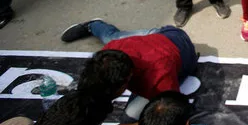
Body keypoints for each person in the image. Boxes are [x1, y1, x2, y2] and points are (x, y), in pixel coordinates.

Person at [61, 20, 198, 109]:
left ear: (126, 81)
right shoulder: (110, 50)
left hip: (176, 43)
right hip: (155, 38)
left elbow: (173, 112)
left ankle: (92, 25)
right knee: (112, 37)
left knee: (131, 117)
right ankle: (93, 26)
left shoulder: (159, 80)